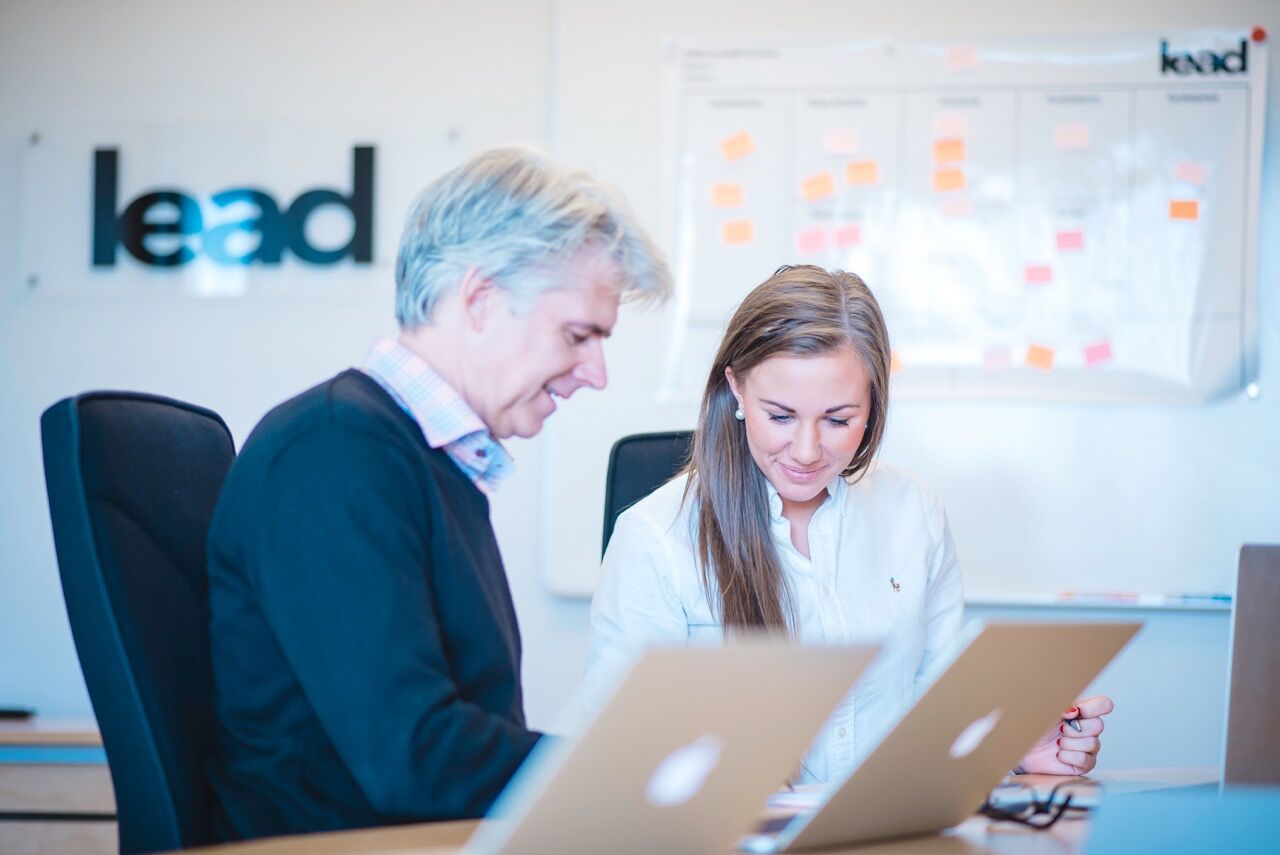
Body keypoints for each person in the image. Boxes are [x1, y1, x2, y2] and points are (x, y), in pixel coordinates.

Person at [206, 146, 670, 840]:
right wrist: (622, 778)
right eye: (578, 335)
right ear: (480, 300)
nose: (595, 373)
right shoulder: (333, 453)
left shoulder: (420, 459)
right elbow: (413, 755)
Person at [583, 265, 1112, 784]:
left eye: (838, 419)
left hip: (891, 827)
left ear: (874, 403)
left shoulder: (913, 512)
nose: (807, 450)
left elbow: (939, 718)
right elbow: (621, 763)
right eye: (780, 416)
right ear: (736, 389)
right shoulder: (654, 537)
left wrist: (1010, 750)